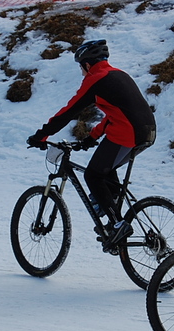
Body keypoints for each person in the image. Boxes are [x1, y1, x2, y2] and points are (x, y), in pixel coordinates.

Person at [27, 39, 156, 254]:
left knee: (93, 176)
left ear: (87, 65)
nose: (82, 72)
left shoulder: (95, 79)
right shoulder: (118, 74)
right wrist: (91, 137)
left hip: (127, 134)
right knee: (105, 171)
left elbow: (68, 112)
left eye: (81, 68)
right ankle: (113, 215)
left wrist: (41, 135)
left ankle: (117, 225)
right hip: (147, 132)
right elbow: (115, 113)